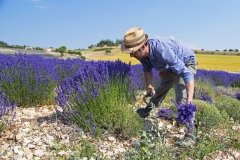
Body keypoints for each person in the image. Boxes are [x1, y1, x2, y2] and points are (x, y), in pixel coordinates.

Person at [121, 27, 197, 146]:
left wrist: (189, 102)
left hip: (186, 63)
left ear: (142, 47)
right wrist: (149, 85)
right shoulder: (143, 55)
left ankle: (190, 134)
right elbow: (147, 70)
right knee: (161, 90)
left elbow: (186, 74)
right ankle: (147, 111)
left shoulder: (162, 51)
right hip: (170, 67)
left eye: (132, 52)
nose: (131, 55)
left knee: (182, 100)